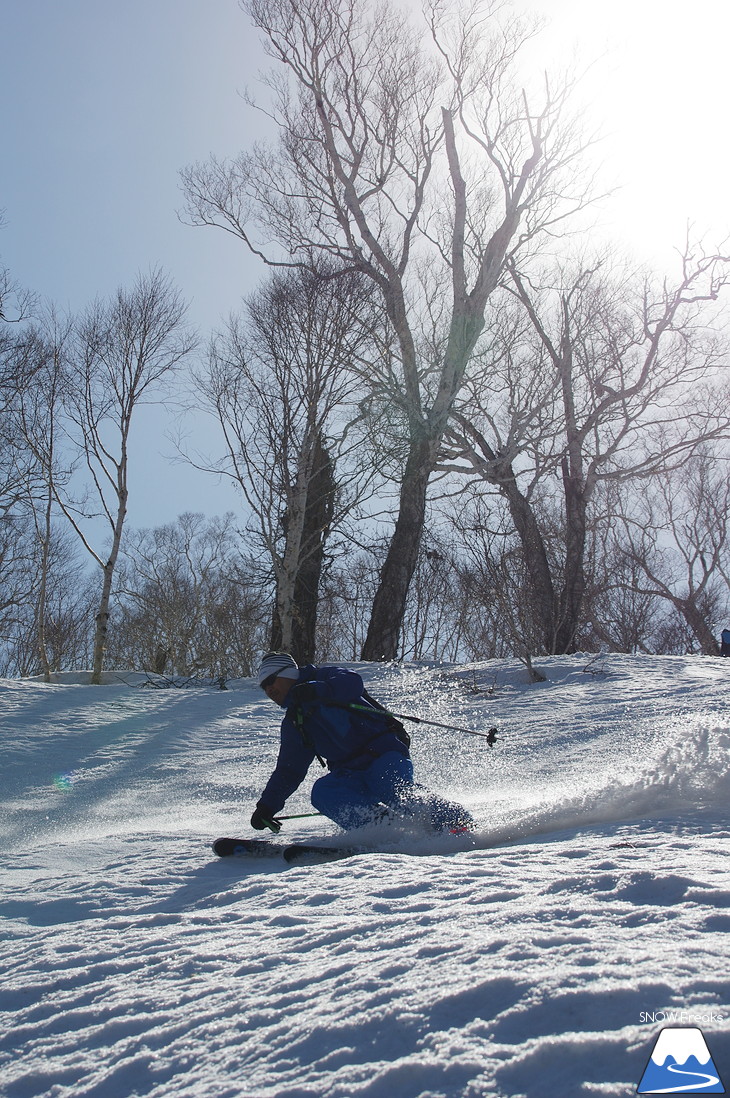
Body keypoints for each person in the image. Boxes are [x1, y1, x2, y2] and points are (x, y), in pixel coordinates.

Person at [251, 652, 474, 835]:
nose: (269, 690)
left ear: (288, 673)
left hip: (382, 755)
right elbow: (289, 770)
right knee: (323, 792)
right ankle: (384, 830)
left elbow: (352, 682)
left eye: (271, 681)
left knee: (389, 787)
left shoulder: (323, 677)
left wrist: (318, 690)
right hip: (348, 772)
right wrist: (267, 806)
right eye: (264, 687)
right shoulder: (294, 722)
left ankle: (453, 820)